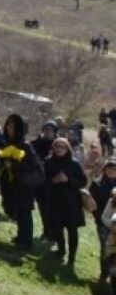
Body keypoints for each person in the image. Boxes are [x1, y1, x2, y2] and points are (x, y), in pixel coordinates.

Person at [0, 114, 42, 250]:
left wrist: (15, 165)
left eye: (13, 126)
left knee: (24, 212)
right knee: (15, 211)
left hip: (24, 184)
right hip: (10, 184)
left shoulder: (25, 145)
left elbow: (34, 166)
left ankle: (26, 241)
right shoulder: (5, 143)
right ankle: (20, 236)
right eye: (8, 125)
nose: (10, 128)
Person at [43, 136, 87, 267]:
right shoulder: (48, 163)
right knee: (57, 228)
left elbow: (83, 181)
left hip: (71, 203)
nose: (59, 149)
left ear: (67, 148)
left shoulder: (74, 164)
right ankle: (61, 250)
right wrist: (53, 181)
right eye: (56, 146)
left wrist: (68, 180)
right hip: (54, 201)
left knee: (72, 231)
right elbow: (41, 182)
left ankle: (72, 258)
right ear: (53, 148)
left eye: (62, 146)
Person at [88, 157, 116, 283]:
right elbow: (92, 203)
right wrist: (97, 217)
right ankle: (104, 274)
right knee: (106, 248)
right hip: (103, 221)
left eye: (115, 169)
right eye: (109, 168)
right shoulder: (97, 184)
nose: (112, 171)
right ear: (105, 169)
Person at [31, 120, 58, 239]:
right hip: (38, 180)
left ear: (55, 132)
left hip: (54, 181)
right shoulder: (35, 143)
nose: (48, 132)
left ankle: (54, 232)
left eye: (50, 130)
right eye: (46, 130)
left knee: (53, 208)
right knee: (43, 207)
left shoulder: (58, 146)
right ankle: (47, 230)